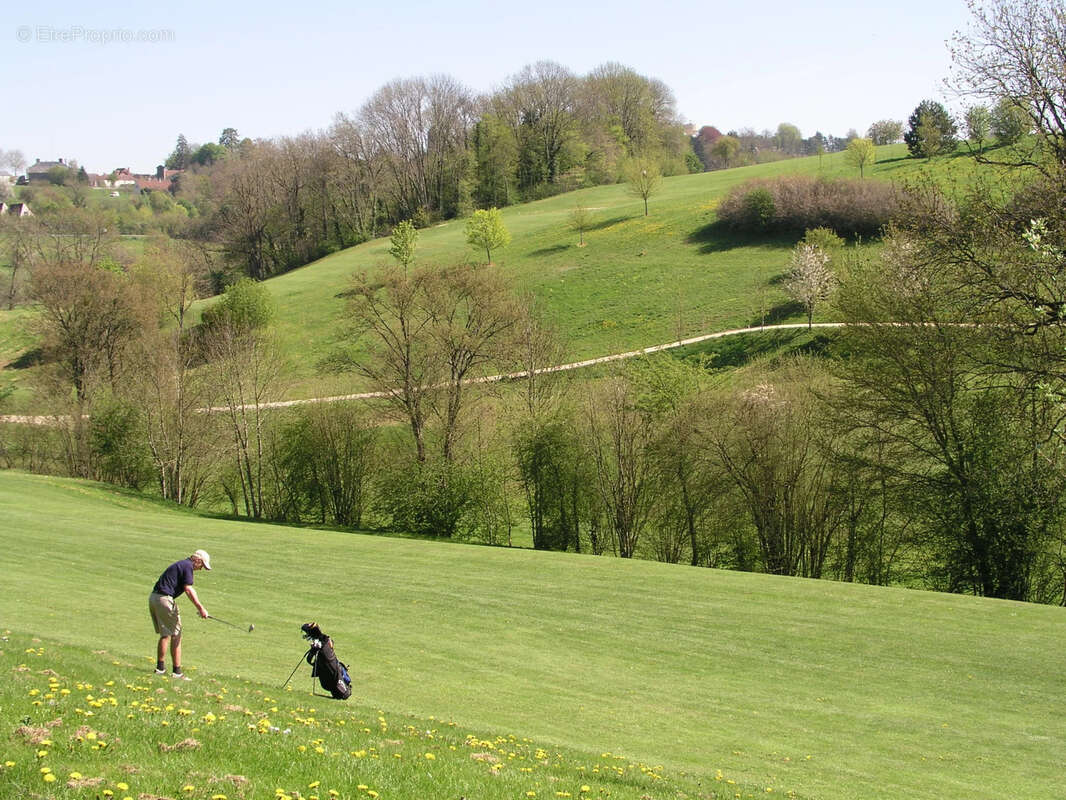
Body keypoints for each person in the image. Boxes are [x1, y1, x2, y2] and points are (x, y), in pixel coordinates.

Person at [148, 549, 211, 680]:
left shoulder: (182, 564)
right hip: (164, 599)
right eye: (202, 565)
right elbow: (188, 589)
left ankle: (160, 668)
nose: (201, 569)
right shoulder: (188, 566)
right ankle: (176, 672)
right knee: (176, 634)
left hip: (154, 598)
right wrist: (201, 608)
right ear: (197, 560)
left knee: (166, 634)